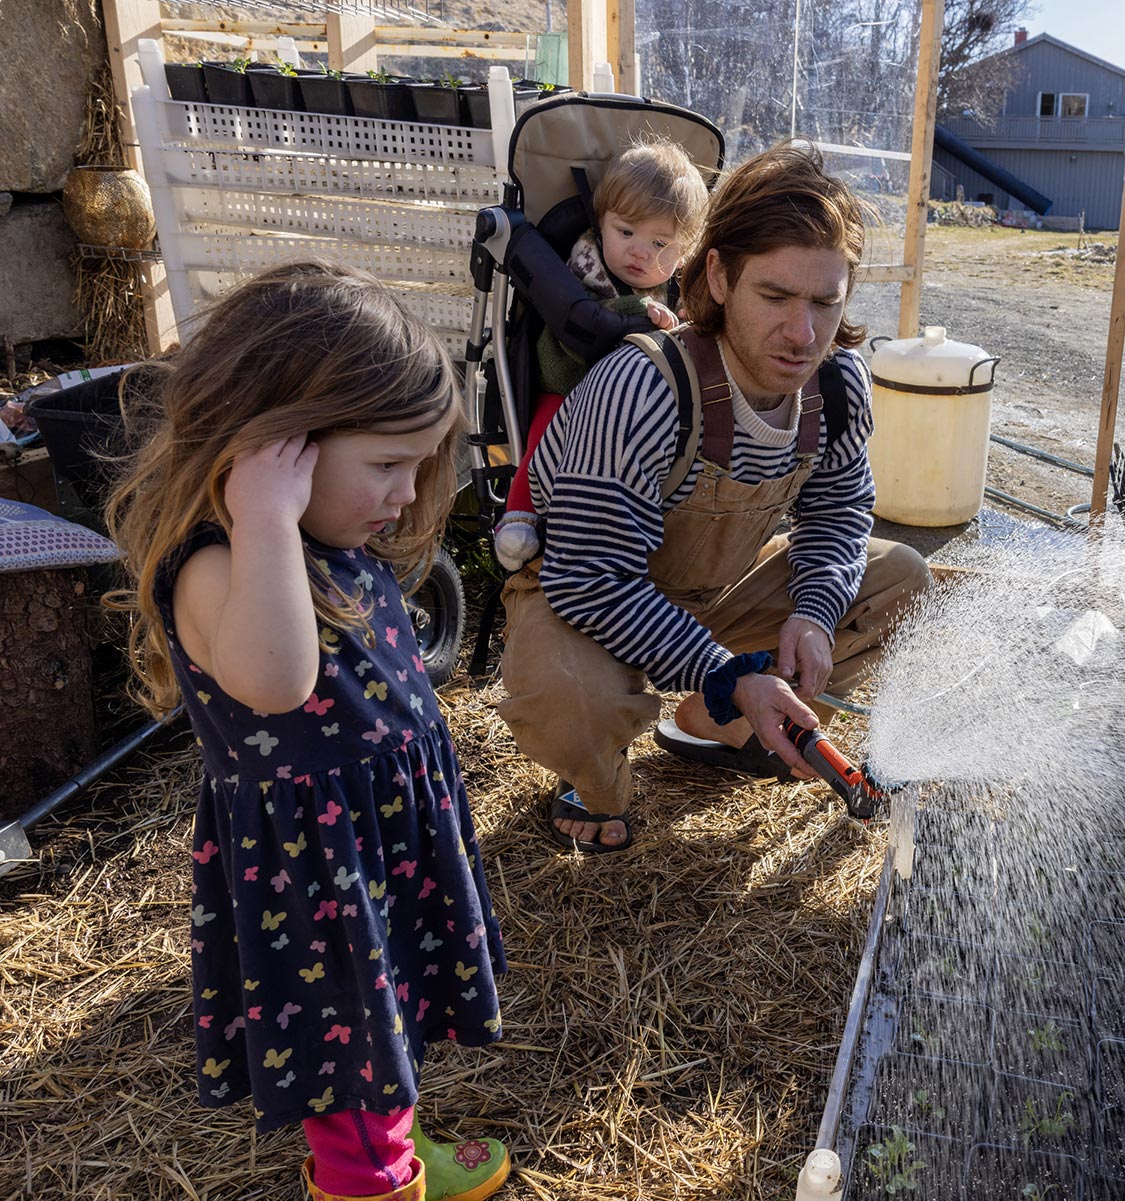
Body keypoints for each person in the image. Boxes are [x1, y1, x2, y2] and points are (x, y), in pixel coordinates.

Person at [107, 263, 510, 1201]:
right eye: (385, 464)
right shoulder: (221, 564)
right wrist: (264, 520)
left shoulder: (320, 543)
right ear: (272, 450)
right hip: (315, 872)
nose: (407, 494)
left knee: (382, 1036)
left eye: (415, 466)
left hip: (373, 846)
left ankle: (398, 1157)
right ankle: (377, 1184)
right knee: (353, 1067)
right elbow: (279, 681)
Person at [497, 142, 931, 853]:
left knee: (901, 580)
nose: (804, 332)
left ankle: (714, 723)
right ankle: (594, 780)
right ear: (721, 276)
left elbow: (840, 511)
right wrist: (722, 666)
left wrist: (816, 615)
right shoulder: (642, 386)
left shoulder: (837, 388)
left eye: (826, 301)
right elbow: (590, 579)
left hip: (712, 588)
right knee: (572, 701)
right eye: (776, 296)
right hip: (584, 591)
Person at [493, 139, 709, 571]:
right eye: (625, 232)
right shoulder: (588, 257)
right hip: (566, 374)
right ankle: (519, 514)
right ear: (601, 221)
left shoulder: (671, 282)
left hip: (628, 398)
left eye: (661, 243)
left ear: (685, 250)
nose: (640, 252)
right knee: (544, 427)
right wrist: (640, 312)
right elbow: (589, 315)